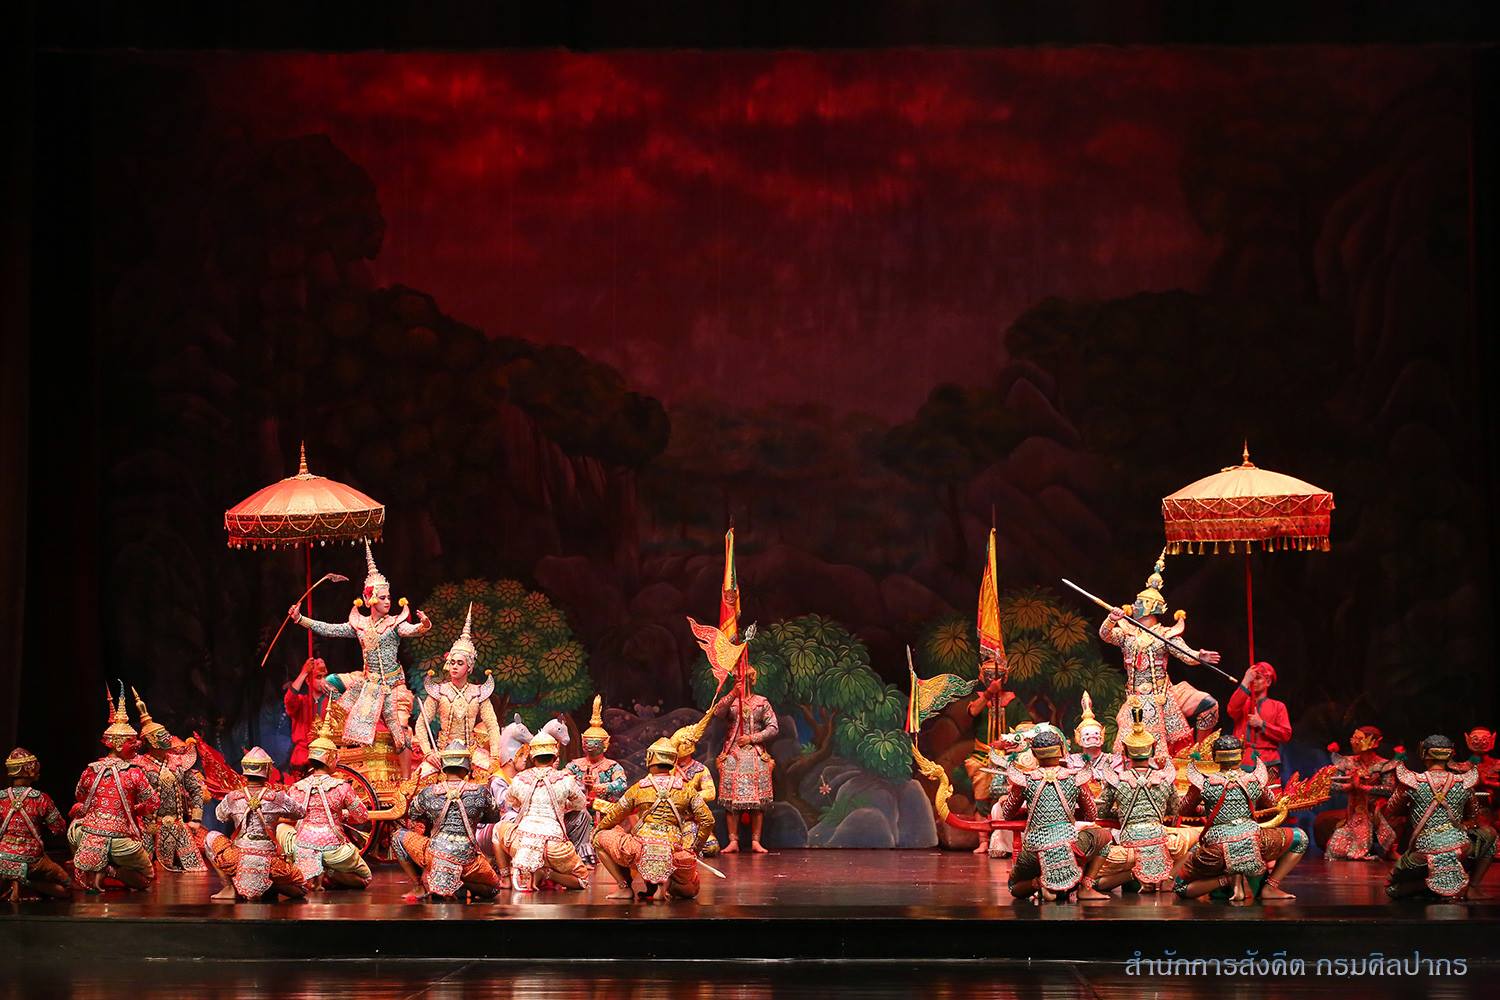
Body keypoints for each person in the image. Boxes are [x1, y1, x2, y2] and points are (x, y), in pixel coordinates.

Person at [288, 542, 431, 769]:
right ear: (370, 600)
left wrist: (424, 625)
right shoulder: (360, 625)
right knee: (329, 683)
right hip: (369, 684)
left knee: (400, 733)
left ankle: (405, 781)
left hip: (392, 686)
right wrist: (300, 619)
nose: (388, 601)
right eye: (382, 598)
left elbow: (412, 630)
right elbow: (330, 629)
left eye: (388, 597)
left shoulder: (394, 624)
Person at [1098, 551, 1222, 757]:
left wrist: (1199, 657)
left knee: (1209, 705)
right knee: (1129, 748)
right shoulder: (1127, 633)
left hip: (1163, 697)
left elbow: (1185, 654)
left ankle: (1201, 753)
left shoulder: (1165, 635)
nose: (1134, 605)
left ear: (1149, 607)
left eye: (1139, 602)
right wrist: (1111, 619)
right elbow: (1105, 635)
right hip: (1136, 699)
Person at [1078, 702, 1192, 897]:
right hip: (1162, 841)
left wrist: (1120, 811)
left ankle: (1133, 874)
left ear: (1125, 751)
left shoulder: (1117, 780)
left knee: (1097, 871)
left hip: (1128, 845)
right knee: (1195, 840)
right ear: (1153, 750)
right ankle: (1168, 879)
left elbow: (1101, 812)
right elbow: (1175, 810)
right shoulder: (1164, 778)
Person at [1175, 735, 1308, 902]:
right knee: (1300, 839)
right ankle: (1270, 887)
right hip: (1256, 840)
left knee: (1180, 886)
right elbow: (1270, 805)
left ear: (1215, 757)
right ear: (1241, 755)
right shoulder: (1255, 779)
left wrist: (1205, 809)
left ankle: (1226, 880)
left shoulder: (1203, 782)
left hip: (1217, 848)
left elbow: (1184, 810)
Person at [594, 738, 715, 901]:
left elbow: (615, 815)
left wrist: (599, 828)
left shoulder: (639, 788)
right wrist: (694, 848)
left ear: (650, 758)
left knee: (599, 837)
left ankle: (624, 887)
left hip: (639, 849)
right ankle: (664, 885)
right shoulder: (687, 790)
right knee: (691, 890)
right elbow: (708, 820)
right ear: (673, 760)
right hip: (674, 851)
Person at [997, 729, 1109, 901]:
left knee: (1014, 886)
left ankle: (1040, 883)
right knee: (1105, 838)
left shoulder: (1025, 780)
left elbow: (1007, 814)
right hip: (1070, 844)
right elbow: (1092, 815)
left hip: (1035, 850)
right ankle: (1085, 887)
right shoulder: (1075, 778)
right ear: (1062, 751)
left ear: (1034, 754)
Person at [69, 683, 159, 893]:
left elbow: (80, 796)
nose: (138, 745)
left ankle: (97, 867)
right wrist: (135, 810)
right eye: (132, 741)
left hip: (87, 834)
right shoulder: (134, 772)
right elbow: (153, 802)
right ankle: (110, 871)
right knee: (147, 878)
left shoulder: (90, 769)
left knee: (74, 826)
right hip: (120, 840)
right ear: (118, 744)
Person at [1385, 734, 1496, 900]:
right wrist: (1459, 828)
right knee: (1489, 834)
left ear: (1424, 753)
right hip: (1461, 849)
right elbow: (1473, 816)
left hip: (1423, 854)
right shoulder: (1464, 781)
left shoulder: (1411, 781)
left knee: (1392, 888)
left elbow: (1391, 810)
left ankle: (1428, 886)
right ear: (1450, 755)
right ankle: (1471, 886)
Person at [393, 741, 502, 902]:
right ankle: (462, 882)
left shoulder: (429, 792)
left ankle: (419, 886)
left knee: (398, 836)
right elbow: (494, 817)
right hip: (468, 859)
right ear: (466, 766)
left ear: (444, 766)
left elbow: (413, 814)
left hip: (435, 854)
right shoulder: (480, 792)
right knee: (493, 889)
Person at [280, 711, 372, 890]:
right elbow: (362, 817)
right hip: (333, 849)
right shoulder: (341, 787)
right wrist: (342, 814)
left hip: (302, 846)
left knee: (282, 829)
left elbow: (289, 816)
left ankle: (314, 871)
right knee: (365, 878)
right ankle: (328, 871)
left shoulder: (296, 788)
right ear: (330, 758)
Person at [205, 747, 308, 901]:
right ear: (268, 770)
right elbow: (300, 813)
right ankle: (271, 884)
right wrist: (277, 815)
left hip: (236, 857)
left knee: (210, 836)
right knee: (300, 890)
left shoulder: (233, 797)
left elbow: (220, 816)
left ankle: (229, 887)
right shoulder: (278, 798)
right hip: (270, 861)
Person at [494, 732, 589, 892]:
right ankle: (547, 873)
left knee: (498, 830)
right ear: (554, 757)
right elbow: (580, 804)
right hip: (554, 849)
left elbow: (511, 802)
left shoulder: (521, 778)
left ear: (532, 757)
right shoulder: (565, 779)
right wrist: (562, 804)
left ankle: (505, 879)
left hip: (521, 843)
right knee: (582, 880)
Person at [414, 604, 501, 777]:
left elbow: (492, 726)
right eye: (452, 662)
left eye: (460, 663)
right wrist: (429, 753)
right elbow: (421, 724)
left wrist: (494, 756)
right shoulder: (439, 691)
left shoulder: (478, 693)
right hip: (443, 752)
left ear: (469, 667)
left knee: (494, 777)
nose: (454, 666)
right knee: (420, 778)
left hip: (471, 753)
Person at [132, 687, 207, 873]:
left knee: (195, 871)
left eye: (166, 733)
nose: (167, 737)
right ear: (151, 740)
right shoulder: (138, 765)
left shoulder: (179, 762)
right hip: (148, 827)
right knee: (147, 871)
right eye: (162, 735)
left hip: (178, 825)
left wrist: (196, 819)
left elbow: (195, 790)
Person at [715, 666, 778, 854]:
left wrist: (752, 738)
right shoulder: (731, 701)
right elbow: (718, 712)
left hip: (756, 753)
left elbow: (773, 727)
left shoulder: (761, 702)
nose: (741, 682)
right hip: (732, 752)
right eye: (737, 679)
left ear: (751, 680)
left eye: (743, 679)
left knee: (757, 802)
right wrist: (733, 693)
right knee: (730, 801)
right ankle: (733, 841)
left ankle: (755, 841)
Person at [563, 696, 627, 866]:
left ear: (605, 744)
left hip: (604, 815)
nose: (590, 745)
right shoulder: (574, 765)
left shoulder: (612, 766)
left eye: (594, 742)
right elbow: (561, 781)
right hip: (578, 815)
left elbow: (622, 784)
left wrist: (597, 787)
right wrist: (580, 783)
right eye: (587, 742)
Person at [0, 748, 70, 900]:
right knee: (67, 886)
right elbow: (59, 828)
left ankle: (15, 883)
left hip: (2, 857)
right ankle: (27, 884)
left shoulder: (1, 797)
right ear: (29, 769)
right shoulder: (41, 798)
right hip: (32, 859)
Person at [1323, 725, 1398, 861]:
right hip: (1353, 813)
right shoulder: (1347, 762)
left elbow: (1390, 790)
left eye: (1358, 738)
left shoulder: (1384, 765)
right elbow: (1331, 785)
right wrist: (1349, 786)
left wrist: (1363, 787)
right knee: (1334, 851)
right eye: (1353, 738)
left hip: (1376, 811)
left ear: (1373, 742)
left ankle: (1388, 849)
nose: (1353, 741)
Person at [1227, 662, 1293, 788]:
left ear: (1268, 682)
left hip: (1268, 761)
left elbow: (1286, 734)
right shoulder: (1242, 703)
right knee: (1241, 796)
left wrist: (1261, 724)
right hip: (1242, 760)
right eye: (1252, 678)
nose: (1254, 682)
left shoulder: (1278, 707)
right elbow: (1231, 709)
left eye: (1258, 678)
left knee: (1270, 795)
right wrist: (1245, 681)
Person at [670, 704, 721, 855]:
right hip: (670, 818)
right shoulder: (667, 769)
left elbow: (710, 793)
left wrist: (689, 797)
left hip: (692, 818)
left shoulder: (700, 769)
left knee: (711, 847)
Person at [283, 656, 331, 774]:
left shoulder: (333, 703)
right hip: (303, 758)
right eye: (318, 677)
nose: (323, 681)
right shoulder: (301, 701)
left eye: (325, 677)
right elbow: (289, 700)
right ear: (308, 681)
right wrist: (304, 672)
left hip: (326, 757)